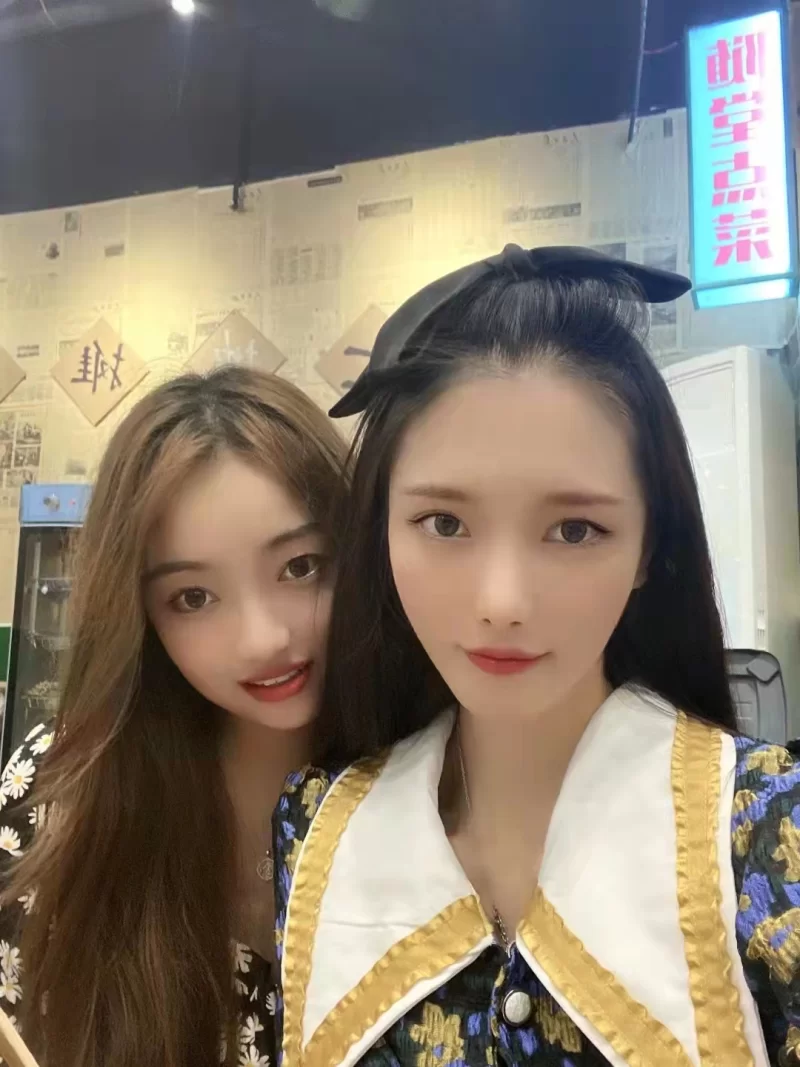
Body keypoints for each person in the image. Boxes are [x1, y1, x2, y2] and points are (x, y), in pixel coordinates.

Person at [272, 246, 800, 1067]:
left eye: (574, 529)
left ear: (650, 547)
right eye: (445, 523)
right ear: (381, 531)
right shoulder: (315, 827)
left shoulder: (767, 832)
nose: (503, 600)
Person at [0, 366, 347, 1067]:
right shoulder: (60, 791)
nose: (263, 639)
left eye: (301, 566)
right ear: (141, 616)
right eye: (193, 597)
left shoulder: (441, 786)